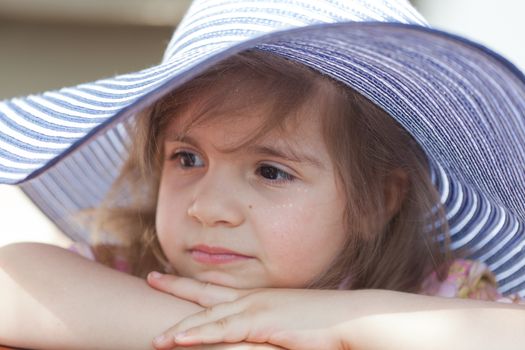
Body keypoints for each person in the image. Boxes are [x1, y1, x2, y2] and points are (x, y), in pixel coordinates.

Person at [0, 0, 524, 349]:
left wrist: (341, 326)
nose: (206, 207)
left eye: (271, 171)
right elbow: (12, 279)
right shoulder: (139, 273)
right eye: (188, 159)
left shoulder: (430, 295)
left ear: (375, 203)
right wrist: (222, 333)